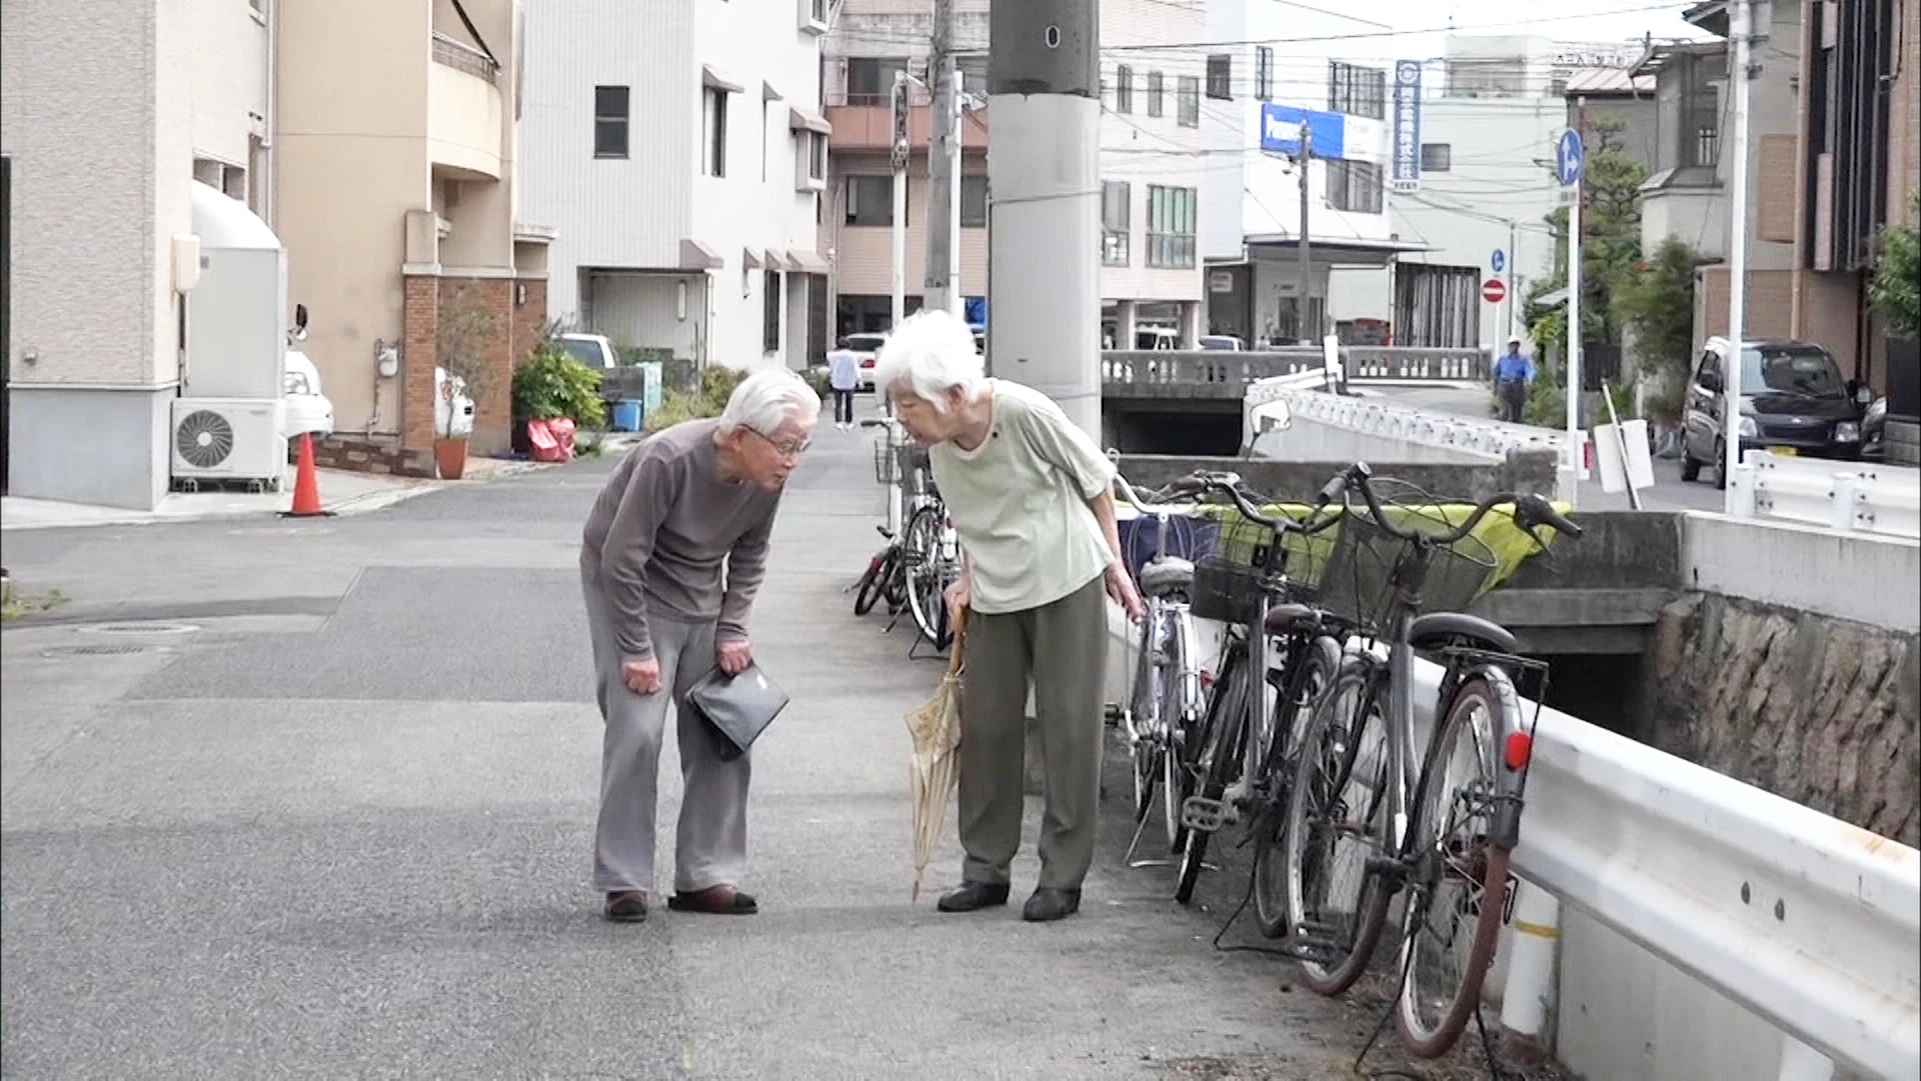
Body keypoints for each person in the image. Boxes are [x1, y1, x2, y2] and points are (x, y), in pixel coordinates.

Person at [873, 309, 1145, 924]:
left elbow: (1096, 478)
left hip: (1064, 577)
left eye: (909, 403)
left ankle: (1062, 877)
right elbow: (971, 515)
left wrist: (1114, 565)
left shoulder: (1022, 411)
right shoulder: (939, 444)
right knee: (988, 727)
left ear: (955, 393)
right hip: (995, 587)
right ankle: (985, 869)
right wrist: (966, 578)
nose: (902, 417)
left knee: (1067, 728)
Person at [578, 368, 820, 923]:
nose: (793, 460)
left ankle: (707, 875)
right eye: (786, 445)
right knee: (637, 730)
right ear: (739, 435)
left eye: (801, 446)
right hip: (630, 587)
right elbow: (621, 559)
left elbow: (752, 555)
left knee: (724, 725)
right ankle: (625, 878)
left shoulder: (767, 481)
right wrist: (636, 649)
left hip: (702, 592)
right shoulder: (668, 459)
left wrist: (734, 628)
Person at [1494, 337, 1536, 423]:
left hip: (1517, 384)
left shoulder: (1523, 359)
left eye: (1515, 345)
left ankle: (1514, 423)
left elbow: (1529, 369)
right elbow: (1496, 371)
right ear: (1508, 346)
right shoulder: (1503, 358)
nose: (1513, 347)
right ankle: (1503, 422)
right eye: (1511, 345)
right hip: (1504, 384)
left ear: (1518, 346)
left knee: (1517, 408)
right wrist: (1496, 384)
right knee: (1505, 408)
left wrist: (1530, 379)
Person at [826, 338, 862, 429]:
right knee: (849, 403)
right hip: (849, 382)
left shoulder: (832, 355)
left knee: (838, 403)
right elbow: (856, 368)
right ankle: (849, 422)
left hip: (837, 381)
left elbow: (831, 367)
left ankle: (838, 421)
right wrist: (859, 379)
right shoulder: (853, 355)